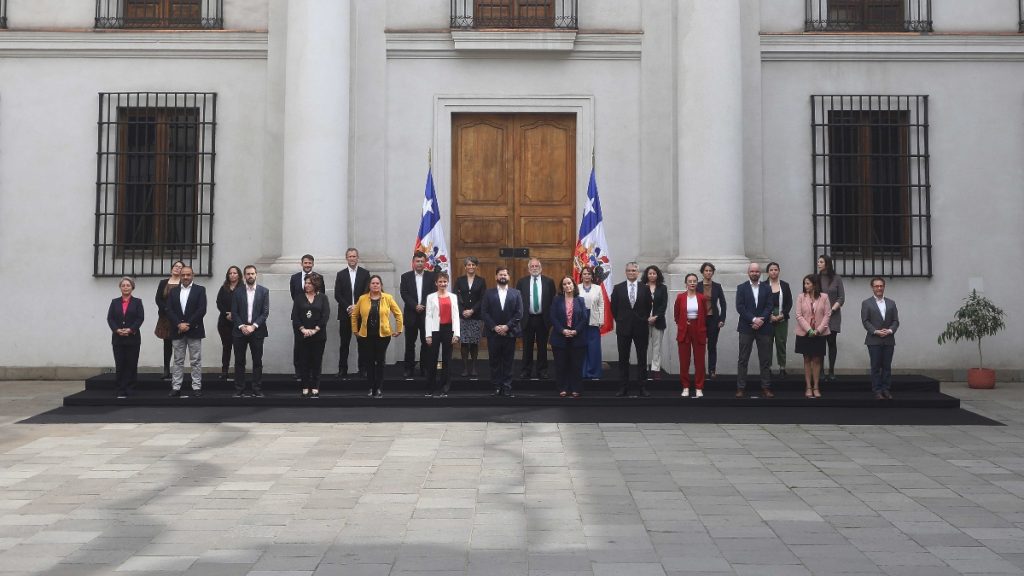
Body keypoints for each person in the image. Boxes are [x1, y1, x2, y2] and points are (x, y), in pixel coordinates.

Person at [352, 275, 403, 398]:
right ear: (369, 285)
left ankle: (379, 388)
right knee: (369, 361)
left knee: (380, 361)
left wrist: (399, 329)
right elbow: (354, 315)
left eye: (377, 283)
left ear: (381, 285)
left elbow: (398, 314)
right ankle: (371, 387)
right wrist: (355, 330)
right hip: (366, 336)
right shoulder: (362, 298)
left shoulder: (388, 298)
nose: (375, 285)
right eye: (373, 283)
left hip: (383, 336)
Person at [609, 262, 653, 397]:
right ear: (625, 272)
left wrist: (642, 319)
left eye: (634, 270)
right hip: (623, 328)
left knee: (642, 359)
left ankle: (642, 387)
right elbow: (613, 308)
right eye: (629, 270)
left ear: (638, 273)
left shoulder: (645, 288)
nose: (631, 272)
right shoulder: (618, 288)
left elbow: (648, 307)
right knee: (623, 359)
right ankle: (623, 387)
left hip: (641, 327)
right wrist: (621, 320)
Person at [481, 267, 523, 398]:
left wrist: (507, 327)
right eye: (500, 274)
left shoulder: (516, 293)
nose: (503, 276)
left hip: (510, 333)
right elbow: (484, 312)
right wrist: (495, 327)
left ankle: (507, 387)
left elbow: (519, 313)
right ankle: (496, 387)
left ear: (509, 277)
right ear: (496, 277)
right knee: (494, 361)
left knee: (508, 361)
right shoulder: (488, 293)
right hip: (493, 333)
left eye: (505, 274)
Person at [166, 265, 207, 397]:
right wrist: (179, 324)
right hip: (177, 331)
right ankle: (176, 387)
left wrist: (188, 324)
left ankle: (196, 387)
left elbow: (201, 309)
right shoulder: (173, 291)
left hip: (194, 330)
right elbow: (169, 310)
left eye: (188, 274)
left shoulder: (200, 290)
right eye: (183, 275)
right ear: (180, 276)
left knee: (196, 360)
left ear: (192, 275)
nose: (185, 277)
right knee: (178, 360)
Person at [735, 262, 773, 398]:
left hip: (764, 327)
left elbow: (769, 306)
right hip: (746, 327)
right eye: (752, 271)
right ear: (748, 272)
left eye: (757, 271)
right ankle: (740, 388)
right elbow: (740, 307)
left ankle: (766, 387)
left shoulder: (767, 288)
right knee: (743, 359)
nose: (754, 273)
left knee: (765, 359)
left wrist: (761, 319)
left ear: (760, 273)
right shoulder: (741, 288)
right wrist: (753, 319)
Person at [231, 265, 270, 398]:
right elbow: (234, 312)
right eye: (248, 274)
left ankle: (256, 389)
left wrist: (253, 326)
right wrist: (242, 326)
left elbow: (265, 312)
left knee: (257, 361)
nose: (250, 276)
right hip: (240, 331)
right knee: (239, 361)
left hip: (257, 331)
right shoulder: (237, 292)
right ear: (244, 276)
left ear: (256, 275)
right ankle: (239, 389)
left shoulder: (264, 291)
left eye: (252, 273)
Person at [291, 272, 330, 398]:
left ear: (315, 284)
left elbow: (325, 315)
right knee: (304, 362)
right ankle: (305, 386)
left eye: (309, 283)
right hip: (302, 336)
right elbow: (295, 316)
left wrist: (315, 330)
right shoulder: (299, 298)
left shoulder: (323, 298)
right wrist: (303, 329)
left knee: (316, 362)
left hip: (318, 336)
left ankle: (315, 387)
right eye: (306, 283)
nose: (306, 285)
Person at [549, 275, 589, 398]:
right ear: (562, 287)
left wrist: (576, 331)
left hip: (577, 337)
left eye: (569, 283)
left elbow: (584, 318)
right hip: (560, 337)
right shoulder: (557, 300)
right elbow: (553, 317)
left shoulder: (580, 300)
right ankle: (563, 388)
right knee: (561, 364)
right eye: (564, 284)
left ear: (574, 285)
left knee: (576, 365)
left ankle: (576, 388)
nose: (567, 286)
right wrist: (562, 330)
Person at [516, 258, 556, 379]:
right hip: (527, 319)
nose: (534, 268)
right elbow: (518, 301)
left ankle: (542, 370)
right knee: (527, 347)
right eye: (532, 266)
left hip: (543, 319)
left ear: (541, 268)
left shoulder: (549, 282)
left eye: (536, 266)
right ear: (528, 269)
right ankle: (526, 370)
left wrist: (550, 319)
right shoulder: (522, 282)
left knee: (542, 347)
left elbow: (553, 301)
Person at [334, 247, 370, 379]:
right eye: (350, 256)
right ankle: (342, 370)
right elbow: (337, 294)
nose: (352, 258)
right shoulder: (340, 274)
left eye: (354, 256)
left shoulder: (365, 274)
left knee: (362, 343)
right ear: (346, 258)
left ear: (357, 258)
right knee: (344, 343)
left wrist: (357, 307)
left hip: (361, 314)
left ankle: (363, 369)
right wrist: (349, 307)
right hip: (346, 314)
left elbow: (367, 292)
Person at [399, 251, 437, 377]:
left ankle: (424, 368)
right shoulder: (405, 277)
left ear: (425, 263)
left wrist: (423, 305)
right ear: (413, 262)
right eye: (417, 261)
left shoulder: (432, 276)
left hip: (426, 315)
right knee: (410, 343)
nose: (420, 263)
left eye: (422, 261)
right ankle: (408, 368)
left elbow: (433, 292)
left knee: (426, 343)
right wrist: (415, 305)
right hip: (411, 314)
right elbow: (404, 293)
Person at [861, 277, 899, 400]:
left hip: (888, 339)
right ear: (872, 288)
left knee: (887, 367)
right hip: (874, 340)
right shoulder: (866, 303)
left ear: (884, 287)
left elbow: (895, 321)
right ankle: (877, 390)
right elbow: (865, 321)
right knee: (875, 367)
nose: (879, 288)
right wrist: (875, 331)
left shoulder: (891, 303)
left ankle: (886, 389)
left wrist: (890, 330)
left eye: (881, 286)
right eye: (876, 286)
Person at [794, 274, 831, 398]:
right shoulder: (801, 297)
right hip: (805, 332)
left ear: (815, 284)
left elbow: (827, 315)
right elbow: (798, 315)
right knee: (807, 359)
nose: (805, 286)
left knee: (817, 359)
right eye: (804, 283)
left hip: (819, 333)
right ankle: (808, 386)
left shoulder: (824, 297)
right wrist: (809, 330)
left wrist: (818, 330)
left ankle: (816, 386)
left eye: (808, 283)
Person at [424, 272, 461, 397]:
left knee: (447, 360)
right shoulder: (430, 297)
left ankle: (445, 387)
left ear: (448, 282)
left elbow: (456, 315)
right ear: (436, 283)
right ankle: (430, 387)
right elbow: (428, 316)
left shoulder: (453, 297)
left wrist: (456, 334)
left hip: (448, 329)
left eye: (445, 281)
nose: (442, 284)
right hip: (435, 330)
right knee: (432, 359)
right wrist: (428, 335)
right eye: (440, 281)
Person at [107, 277, 144, 398]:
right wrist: (117, 330)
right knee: (120, 364)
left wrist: (130, 329)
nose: (125, 287)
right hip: (118, 339)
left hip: (132, 338)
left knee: (131, 364)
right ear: (120, 287)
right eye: (123, 285)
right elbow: (110, 318)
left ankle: (130, 388)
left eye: (128, 285)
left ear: (132, 287)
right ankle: (120, 389)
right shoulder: (114, 302)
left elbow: (140, 318)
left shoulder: (137, 302)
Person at [674, 273, 707, 398]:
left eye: (694, 281)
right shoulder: (680, 297)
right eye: (690, 281)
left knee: (699, 361)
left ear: (697, 283)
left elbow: (704, 314)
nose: (692, 283)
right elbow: (676, 315)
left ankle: (699, 387)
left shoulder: (702, 298)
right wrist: (683, 323)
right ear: (686, 283)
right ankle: (685, 386)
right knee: (684, 360)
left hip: (699, 329)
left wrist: (698, 324)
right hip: (684, 330)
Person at [454, 256, 486, 377]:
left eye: (473, 265)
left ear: (476, 267)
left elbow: (483, 298)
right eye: (469, 265)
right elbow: (456, 297)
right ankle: (465, 368)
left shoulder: (481, 281)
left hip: (476, 316)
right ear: (465, 267)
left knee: (474, 343)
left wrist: (472, 310)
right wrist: (463, 311)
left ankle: (473, 367)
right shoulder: (459, 280)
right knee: (464, 342)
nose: (471, 267)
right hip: (462, 316)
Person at [817, 254, 845, 381]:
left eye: (821, 262)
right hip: (819, 315)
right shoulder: (816, 278)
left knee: (832, 342)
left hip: (833, 315)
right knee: (820, 343)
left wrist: (832, 309)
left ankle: (831, 371)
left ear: (827, 264)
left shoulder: (837, 278)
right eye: (818, 262)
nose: (818, 264)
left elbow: (841, 297)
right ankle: (821, 371)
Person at [154, 260, 184, 379]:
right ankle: (166, 369)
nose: (177, 268)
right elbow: (158, 299)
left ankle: (177, 370)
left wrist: (174, 312)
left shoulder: (183, 283)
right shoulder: (163, 282)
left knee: (178, 344)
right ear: (172, 268)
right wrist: (167, 309)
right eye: (176, 266)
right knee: (167, 344)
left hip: (178, 317)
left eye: (180, 267)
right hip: (165, 317)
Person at [289, 254, 316, 380]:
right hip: (298, 316)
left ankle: (311, 371)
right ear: (301, 264)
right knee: (298, 344)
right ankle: (298, 371)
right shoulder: (294, 278)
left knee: (312, 345)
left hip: (314, 317)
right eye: (305, 263)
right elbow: (293, 295)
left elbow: (320, 296)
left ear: (313, 264)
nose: (307, 265)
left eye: (310, 263)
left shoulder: (318, 278)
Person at [699, 262, 727, 379]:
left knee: (712, 346)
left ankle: (712, 370)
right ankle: (700, 371)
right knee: (700, 346)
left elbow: (723, 303)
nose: (708, 272)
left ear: (713, 272)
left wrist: (722, 319)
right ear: (702, 272)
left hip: (713, 319)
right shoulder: (697, 286)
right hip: (700, 319)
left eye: (710, 270)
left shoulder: (717, 286)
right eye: (706, 270)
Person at [766, 262, 793, 378]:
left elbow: (789, 302)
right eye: (771, 270)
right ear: (768, 272)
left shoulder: (785, 285)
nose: (773, 272)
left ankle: (782, 367)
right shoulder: (763, 285)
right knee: (767, 343)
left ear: (779, 271)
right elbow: (761, 303)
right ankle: (768, 368)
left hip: (782, 316)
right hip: (767, 317)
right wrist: (769, 315)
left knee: (781, 342)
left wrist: (782, 315)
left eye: (775, 269)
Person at [215, 265, 242, 382]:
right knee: (226, 347)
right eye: (230, 273)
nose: (232, 275)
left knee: (238, 348)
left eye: (235, 273)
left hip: (238, 322)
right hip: (224, 322)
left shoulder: (243, 288)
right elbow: (219, 302)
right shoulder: (223, 288)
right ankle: (224, 371)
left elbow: (244, 304)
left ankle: (238, 372)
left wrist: (234, 314)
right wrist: (226, 313)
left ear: (239, 275)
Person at [578, 266, 605, 379]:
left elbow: (601, 305)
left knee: (594, 347)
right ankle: (581, 372)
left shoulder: (597, 288)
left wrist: (601, 320)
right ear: (581, 276)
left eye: (589, 274)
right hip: (580, 320)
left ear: (592, 276)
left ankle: (593, 372)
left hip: (593, 319)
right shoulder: (576, 287)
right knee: (581, 346)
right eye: (584, 274)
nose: (587, 276)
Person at [644, 265, 668, 379]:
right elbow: (639, 305)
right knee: (643, 346)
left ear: (657, 275)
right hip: (644, 322)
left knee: (657, 347)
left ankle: (655, 369)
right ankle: (644, 368)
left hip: (658, 321)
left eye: (654, 273)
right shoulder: (642, 286)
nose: (652, 275)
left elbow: (664, 305)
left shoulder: (662, 288)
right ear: (646, 275)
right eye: (650, 273)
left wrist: (656, 317)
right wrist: (646, 318)